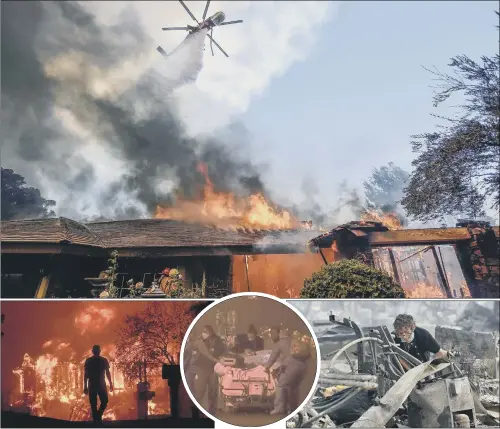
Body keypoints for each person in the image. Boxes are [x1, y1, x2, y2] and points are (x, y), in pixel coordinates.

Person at [264, 328, 308, 415]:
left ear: (280, 334)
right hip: (302, 367)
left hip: (291, 367)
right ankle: (293, 408)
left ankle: (279, 408)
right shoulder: (295, 340)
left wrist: (266, 367)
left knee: (281, 386)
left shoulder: (280, 343)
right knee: (294, 388)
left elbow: (273, 357)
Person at [191, 325, 225, 415]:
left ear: (211, 332)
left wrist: (219, 357)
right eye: (203, 331)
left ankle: (212, 412)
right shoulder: (200, 341)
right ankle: (197, 412)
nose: (204, 333)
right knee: (199, 391)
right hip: (201, 368)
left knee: (213, 392)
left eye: (206, 331)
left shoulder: (217, 341)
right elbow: (204, 354)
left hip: (212, 369)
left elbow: (222, 350)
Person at [84, 345, 113, 425]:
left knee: (94, 403)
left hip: (94, 384)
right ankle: (97, 418)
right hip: (100, 384)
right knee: (103, 401)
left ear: (93, 351)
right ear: (99, 351)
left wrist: (85, 386)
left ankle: (96, 418)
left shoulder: (89, 361)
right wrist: (110, 383)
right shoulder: (103, 360)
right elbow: (107, 373)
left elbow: (86, 375)